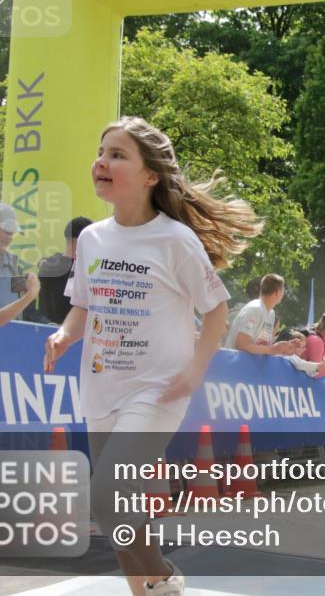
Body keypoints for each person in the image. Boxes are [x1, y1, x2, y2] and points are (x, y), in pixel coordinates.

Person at [42, 116, 260, 596]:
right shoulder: (94, 239)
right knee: (115, 507)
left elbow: (217, 309)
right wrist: (62, 336)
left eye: (118, 154)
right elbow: (83, 305)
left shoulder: (176, 240)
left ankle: (164, 580)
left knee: (105, 495)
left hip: (159, 389)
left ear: (150, 176)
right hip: (102, 388)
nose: (102, 161)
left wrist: (194, 370)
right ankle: (151, 588)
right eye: (101, 152)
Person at [224, 273, 298, 356]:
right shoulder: (255, 309)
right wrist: (271, 349)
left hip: (249, 365)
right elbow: (242, 344)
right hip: (234, 365)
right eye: (283, 291)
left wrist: (285, 347)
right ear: (277, 292)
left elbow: (262, 346)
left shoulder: (271, 313)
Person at [37, 216, 93, 324]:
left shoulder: (50, 263)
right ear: (80, 240)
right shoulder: (78, 271)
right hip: (68, 332)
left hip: (42, 329)